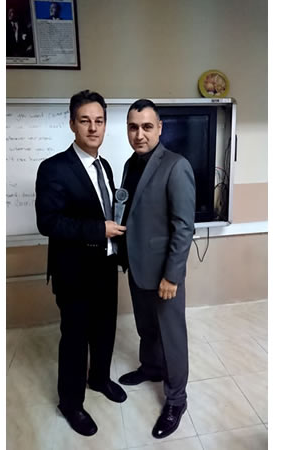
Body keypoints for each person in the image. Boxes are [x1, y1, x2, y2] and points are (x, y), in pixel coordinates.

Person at [34, 90, 128, 437]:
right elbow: (48, 222)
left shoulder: (105, 166)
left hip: (105, 266)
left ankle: (99, 379)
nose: (93, 128)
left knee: (105, 331)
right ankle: (70, 403)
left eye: (99, 121)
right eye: (85, 120)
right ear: (72, 123)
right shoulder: (53, 168)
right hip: (73, 272)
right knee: (74, 340)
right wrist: (98, 229)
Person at [116, 99, 196, 439]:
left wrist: (172, 276)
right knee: (146, 327)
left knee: (171, 337)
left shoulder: (176, 166)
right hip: (136, 266)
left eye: (147, 127)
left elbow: (184, 227)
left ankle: (176, 399)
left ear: (159, 128)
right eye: (133, 127)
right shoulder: (129, 164)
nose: (140, 134)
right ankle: (150, 367)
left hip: (164, 274)